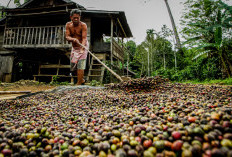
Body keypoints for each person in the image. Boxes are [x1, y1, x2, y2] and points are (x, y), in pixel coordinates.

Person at [65, 9, 88, 85]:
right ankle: (80, 80)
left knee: (80, 65)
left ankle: (79, 84)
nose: (76, 19)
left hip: (83, 46)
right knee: (73, 65)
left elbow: (84, 38)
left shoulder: (83, 25)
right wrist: (73, 39)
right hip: (74, 48)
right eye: (74, 18)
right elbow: (67, 37)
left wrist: (82, 49)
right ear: (71, 17)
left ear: (80, 17)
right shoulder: (68, 25)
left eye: (77, 18)